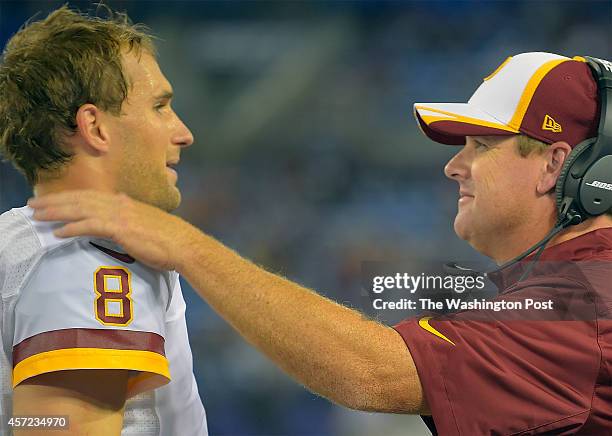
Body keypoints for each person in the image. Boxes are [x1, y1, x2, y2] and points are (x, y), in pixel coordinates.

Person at [25, 52, 612, 434]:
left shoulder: (582, 299)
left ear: (558, 165)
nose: (454, 167)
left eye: (482, 146)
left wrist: (188, 247)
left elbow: (373, 374)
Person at [0, 6, 208, 435]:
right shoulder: (83, 257)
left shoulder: (30, 244)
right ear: (94, 127)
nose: (183, 132)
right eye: (160, 107)